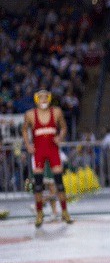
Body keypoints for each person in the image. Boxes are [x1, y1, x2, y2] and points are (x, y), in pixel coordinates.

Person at [22, 89, 73, 227]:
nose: (43, 100)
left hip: (53, 150)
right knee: (38, 186)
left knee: (59, 183)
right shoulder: (30, 114)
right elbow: (24, 129)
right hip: (39, 152)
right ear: (37, 99)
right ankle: (39, 214)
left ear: (49, 99)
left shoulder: (56, 112)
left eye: (46, 98)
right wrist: (27, 145)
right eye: (41, 98)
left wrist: (61, 136)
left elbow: (64, 127)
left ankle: (64, 212)